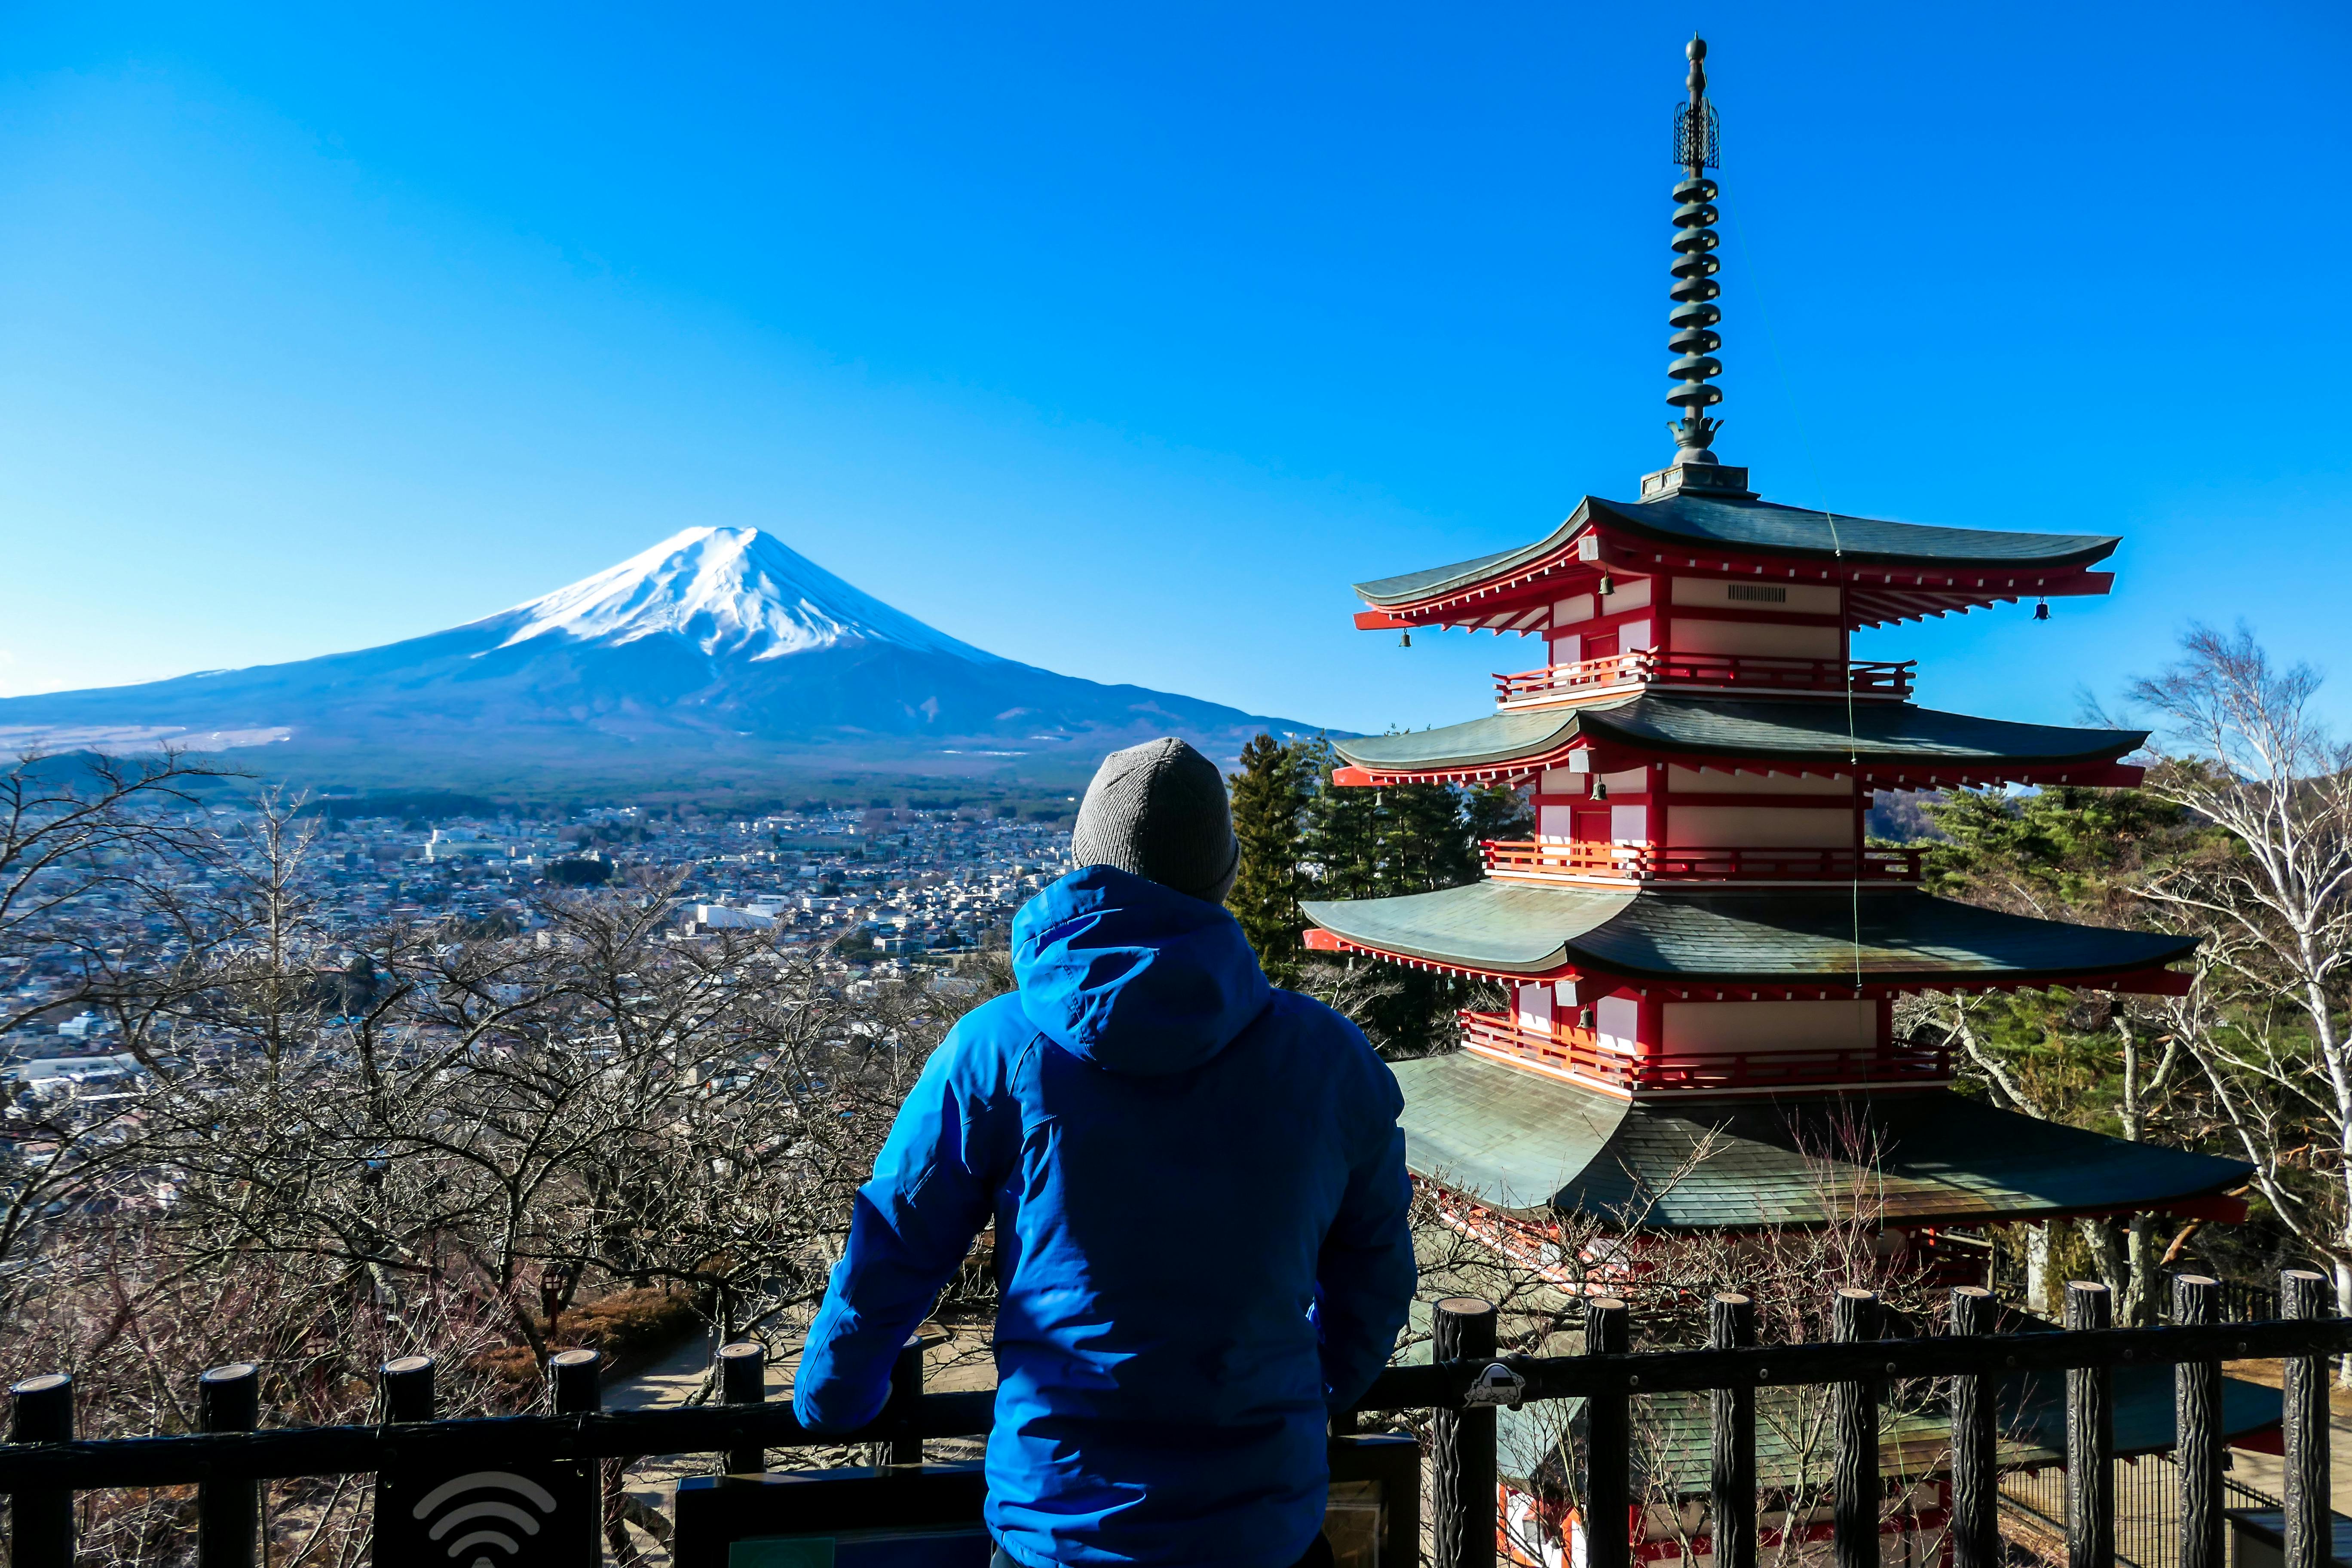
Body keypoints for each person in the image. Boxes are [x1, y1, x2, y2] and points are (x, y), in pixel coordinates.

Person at [793, 737, 1417, 1568]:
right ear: (1224, 876)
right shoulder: (1330, 1057)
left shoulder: (1000, 1047)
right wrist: (1317, 1386)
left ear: (1082, 868)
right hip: (1261, 1520)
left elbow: (898, 1239)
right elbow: (1375, 1263)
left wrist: (836, 1396)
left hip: (1060, 1516)